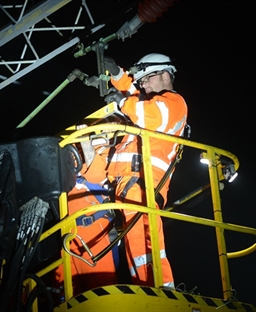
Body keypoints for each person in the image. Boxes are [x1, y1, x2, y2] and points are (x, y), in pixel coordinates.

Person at [103, 53, 188, 289]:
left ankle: (161, 291)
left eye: (147, 79)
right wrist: (117, 74)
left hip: (145, 184)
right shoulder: (151, 101)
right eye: (141, 82)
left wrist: (121, 102)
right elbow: (133, 94)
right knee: (136, 245)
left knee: (145, 245)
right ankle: (145, 288)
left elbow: (146, 113)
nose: (144, 85)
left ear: (164, 74)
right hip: (130, 183)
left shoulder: (173, 102)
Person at [53, 141, 118, 298]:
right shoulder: (58, 159)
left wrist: (85, 144)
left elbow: (100, 173)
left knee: (101, 294)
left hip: (91, 230)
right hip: (64, 236)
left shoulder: (98, 149)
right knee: (65, 296)